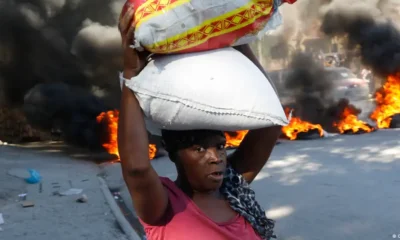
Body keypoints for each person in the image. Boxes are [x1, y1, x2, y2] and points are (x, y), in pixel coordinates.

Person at [118, 5, 283, 240]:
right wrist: (131, 71)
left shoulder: (232, 186)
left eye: (220, 146)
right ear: (174, 153)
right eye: (199, 149)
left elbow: (271, 118)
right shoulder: (163, 206)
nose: (215, 157)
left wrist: (235, 37)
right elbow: (136, 168)